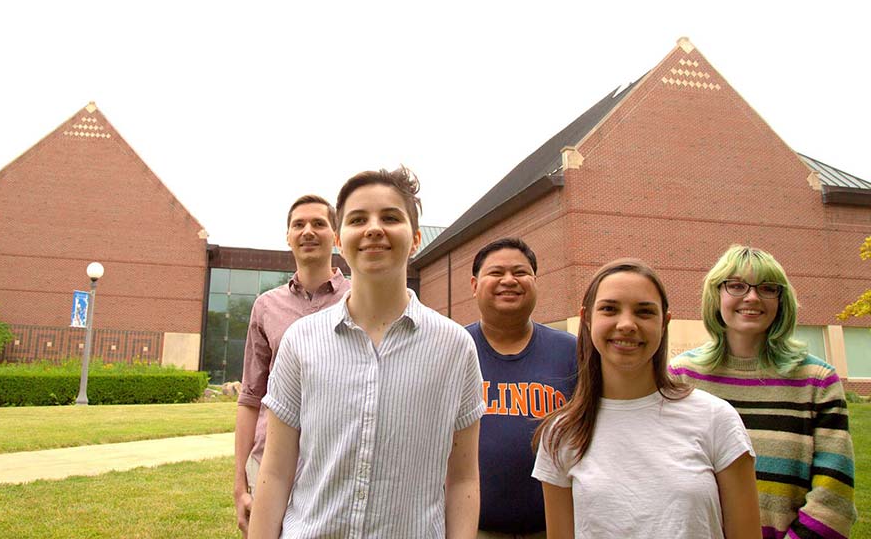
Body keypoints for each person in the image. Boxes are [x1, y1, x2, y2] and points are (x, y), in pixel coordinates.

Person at [249, 167, 485, 538]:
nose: (374, 228)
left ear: (416, 238)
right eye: (358, 219)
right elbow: (276, 473)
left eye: (390, 217)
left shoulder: (455, 348)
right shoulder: (301, 342)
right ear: (341, 241)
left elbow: (463, 479)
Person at [532, 259, 761, 538]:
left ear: (664, 323)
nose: (627, 324)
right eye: (609, 309)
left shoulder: (715, 419)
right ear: (587, 318)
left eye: (644, 312)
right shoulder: (561, 434)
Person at [670, 245, 857, 538]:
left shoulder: (817, 382)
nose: (752, 297)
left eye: (768, 288)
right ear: (715, 295)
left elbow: (834, 498)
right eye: (736, 286)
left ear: (781, 301)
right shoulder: (681, 376)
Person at [233, 194, 350, 537]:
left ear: (336, 235)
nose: (308, 231)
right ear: (288, 237)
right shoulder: (266, 307)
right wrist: (239, 482)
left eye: (318, 223)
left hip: (334, 464)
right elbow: (251, 397)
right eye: (298, 224)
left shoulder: (359, 299)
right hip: (268, 462)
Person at [466, 238, 576, 538]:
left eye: (520, 272)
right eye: (496, 273)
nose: (509, 281)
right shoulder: (453, 349)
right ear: (475, 285)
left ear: (535, 282)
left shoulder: (572, 352)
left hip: (554, 528)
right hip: (474, 529)